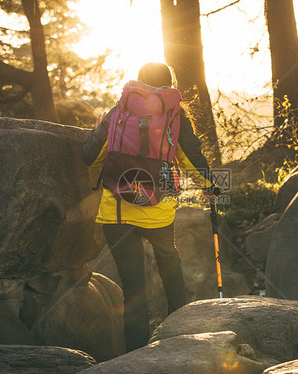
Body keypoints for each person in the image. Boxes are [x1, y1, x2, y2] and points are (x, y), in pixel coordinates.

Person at [81, 62, 215, 352]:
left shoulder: (118, 112)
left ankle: (135, 355)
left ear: (138, 83)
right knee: (169, 259)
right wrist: (211, 188)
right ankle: (180, 334)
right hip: (158, 209)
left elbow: (89, 157)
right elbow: (191, 156)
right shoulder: (175, 114)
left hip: (117, 211)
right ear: (169, 84)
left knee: (134, 291)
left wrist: (97, 129)